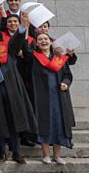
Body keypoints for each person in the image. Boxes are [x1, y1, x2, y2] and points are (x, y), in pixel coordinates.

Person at [21, 30, 77, 164]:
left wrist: (65, 83)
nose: (43, 41)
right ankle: (46, 154)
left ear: (51, 42)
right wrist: (26, 27)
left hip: (59, 96)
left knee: (59, 124)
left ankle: (57, 156)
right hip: (42, 97)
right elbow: (25, 48)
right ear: (37, 44)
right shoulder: (34, 57)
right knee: (44, 124)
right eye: (40, 40)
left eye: (45, 39)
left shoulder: (59, 57)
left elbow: (68, 75)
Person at [0, 21, 36, 164]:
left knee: (14, 120)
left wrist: (22, 27)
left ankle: (16, 152)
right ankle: (2, 152)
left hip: (10, 89)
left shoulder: (6, 47)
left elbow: (17, 41)